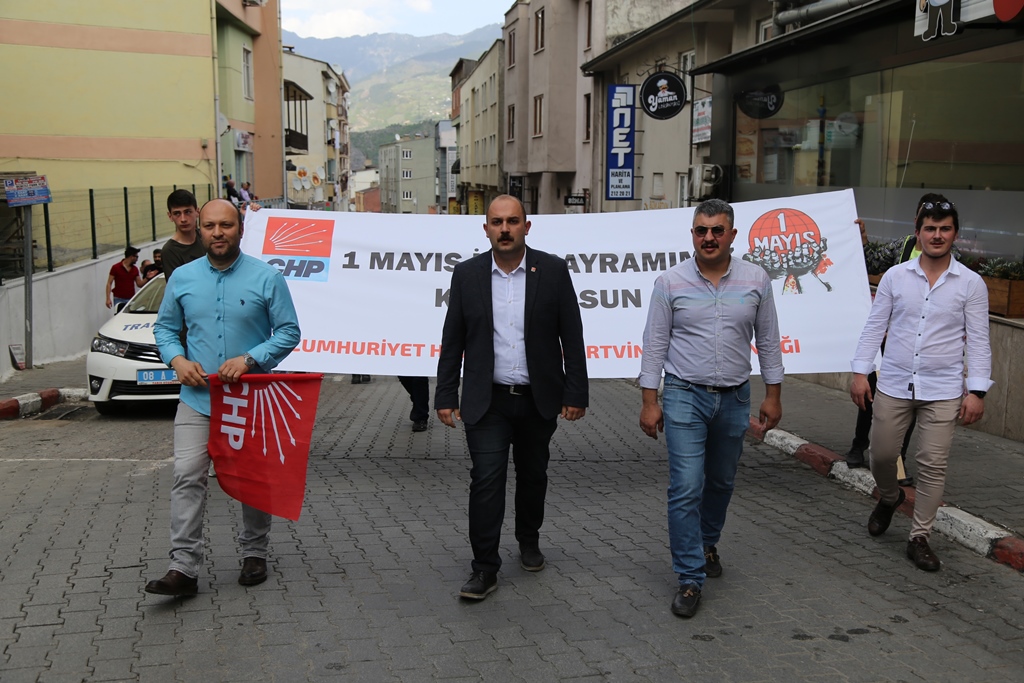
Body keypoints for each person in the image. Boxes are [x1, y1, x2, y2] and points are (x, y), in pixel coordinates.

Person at [435, 194, 589, 601]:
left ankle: (528, 538)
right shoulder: (467, 274)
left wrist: (576, 391)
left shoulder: (552, 271)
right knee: (486, 480)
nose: (505, 229)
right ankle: (484, 567)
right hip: (487, 401)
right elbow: (453, 338)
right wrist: (445, 394)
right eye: (497, 222)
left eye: (513, 221)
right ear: (486, 228)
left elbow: (572, 336)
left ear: (526, 226)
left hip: (538, 399)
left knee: (533, 475)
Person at [145, 198, 301, 596]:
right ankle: (183, 568)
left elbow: (289, 331)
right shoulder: (182, 278)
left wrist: (251, 359)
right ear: (200, 230)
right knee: (187, 475)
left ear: (240, 229)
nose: (218, 233)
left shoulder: (267, 277)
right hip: (197, 399)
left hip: (251, 398)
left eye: (226, 225)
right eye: (210, 226)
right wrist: (177, 359)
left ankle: (255, 553)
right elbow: (165, 329)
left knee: (253, 478)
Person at [638, 198, 784, 619]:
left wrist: (773, 395)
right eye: (701, 230)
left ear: (732, 235)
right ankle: (689, 577)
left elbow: (769, 340)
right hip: (684, 395)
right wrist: (650, 401)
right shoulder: (669, 283)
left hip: (735, 398)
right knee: (686, 486)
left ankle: (706, 542)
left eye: (717, 230)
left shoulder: (756, 279)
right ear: (692, 234)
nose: (709, 237)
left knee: (721, 481)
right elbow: (654, 345)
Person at [850, 195, 991, 572]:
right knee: (881, 456)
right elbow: (874, 326)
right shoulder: (896, 277)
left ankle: (919, 537)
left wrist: (977, 391)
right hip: (894, 384)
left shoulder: (971, 284)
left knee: (932, 464)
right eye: (930, 228)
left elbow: (979, 341)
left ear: (955, 234)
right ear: (918, 232)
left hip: (943, 391)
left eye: (945, 228)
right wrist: (860, 373)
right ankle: (889, 496)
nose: (937, 235)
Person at [161, 190, 206, 281]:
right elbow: (176, 286)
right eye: (177, 213)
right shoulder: (170, 250)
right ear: (170, 216)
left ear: (197, 212)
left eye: (187, 212)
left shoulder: (205, 237)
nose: (183, 219)